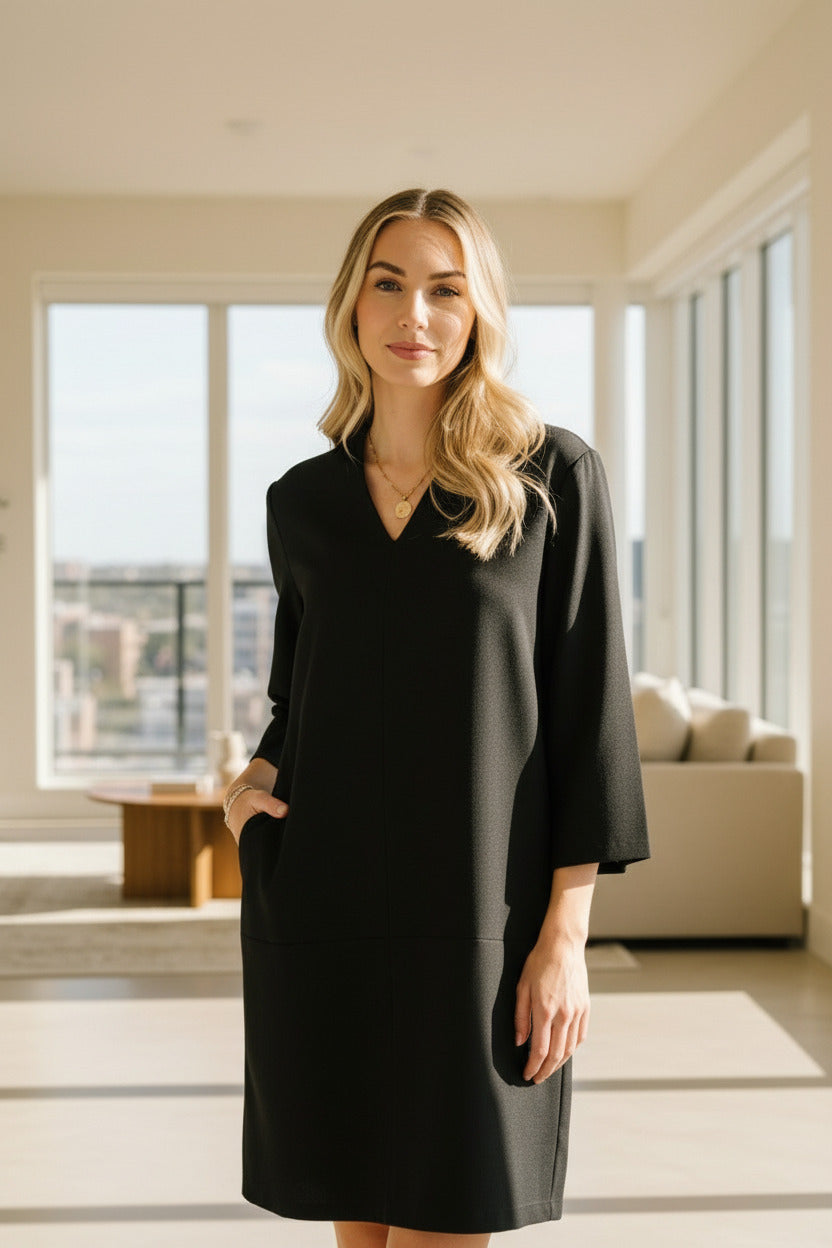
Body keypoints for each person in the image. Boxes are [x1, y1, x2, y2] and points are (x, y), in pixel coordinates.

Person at [223, 187, 650, 1248]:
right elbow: (296, 696)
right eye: (389, 283)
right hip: (324, 913)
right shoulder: (302, 505)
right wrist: (247, 793)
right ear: (352, 306)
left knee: (449, 1222)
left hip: (480, 929)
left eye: (444, 290)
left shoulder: (550, 479)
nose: (414, 312)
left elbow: (590, 711)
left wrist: (565, 937)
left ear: (477, 316)